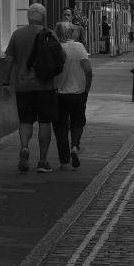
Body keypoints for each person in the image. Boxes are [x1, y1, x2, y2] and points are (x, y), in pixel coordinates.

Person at [2, 4, 66, 173]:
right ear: (43, 17)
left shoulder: (17, 35)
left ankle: (24, 148)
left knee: (25, 121)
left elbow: (8, 60)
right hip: (45, 86)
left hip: (23, 87)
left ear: (28, 17)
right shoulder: (49, 34)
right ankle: (43, 161)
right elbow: (62, 57)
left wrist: (6, 83)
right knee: (45, 122)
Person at [52, 22, 92, 170]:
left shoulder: (55, 48)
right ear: (70, 32)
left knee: (60, 126)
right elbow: (87, 69)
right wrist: (87, 87)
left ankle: (64, 160)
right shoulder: (79, 47)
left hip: (58, 93)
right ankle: (75, 146)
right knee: (78, 122)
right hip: (78, 92)